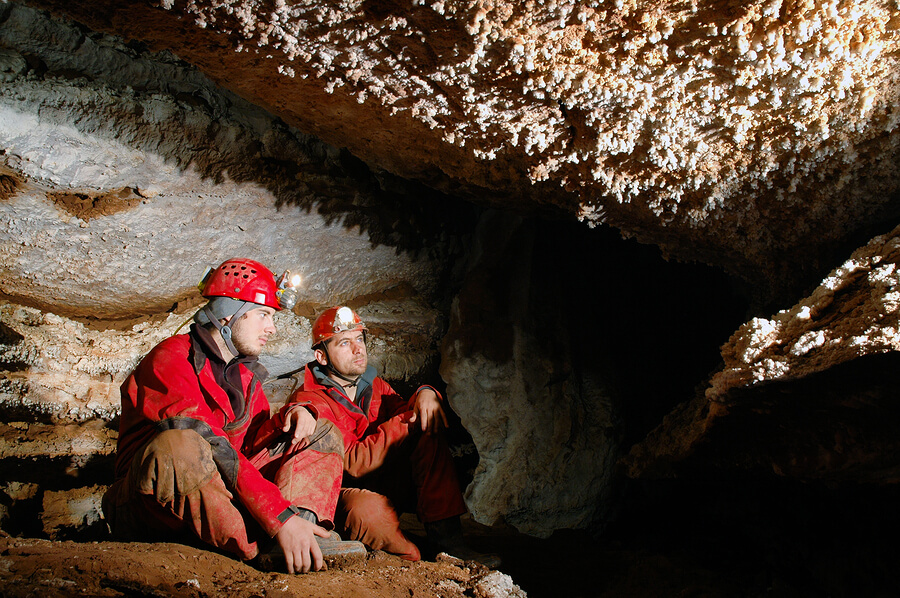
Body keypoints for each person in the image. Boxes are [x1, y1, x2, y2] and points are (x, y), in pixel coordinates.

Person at [102, 259, 365, 574]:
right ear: (229, 313)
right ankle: (265, 543)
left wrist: (296, 414)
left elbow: (253, 444)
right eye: (263, 315)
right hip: (150, 505)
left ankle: (305, 533)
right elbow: (213, 443)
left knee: (319, 428)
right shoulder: (170, 358)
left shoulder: (244, 377)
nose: (272, 328)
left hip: (214, 493)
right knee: (180, 445)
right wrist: (278, 518)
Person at [285, 305, 500, 567]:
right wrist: (408, 420)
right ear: (321, 356)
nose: (358, 349)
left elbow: (405, 411)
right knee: (373, 516)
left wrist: (425, 393)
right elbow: (352, 463)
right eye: (344, 343)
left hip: (383, 481)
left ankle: (448, 542)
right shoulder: (311, 401)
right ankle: (413, 553)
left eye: (359, 339)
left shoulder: (373, 385)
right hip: (343, 494)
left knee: (428, 427)